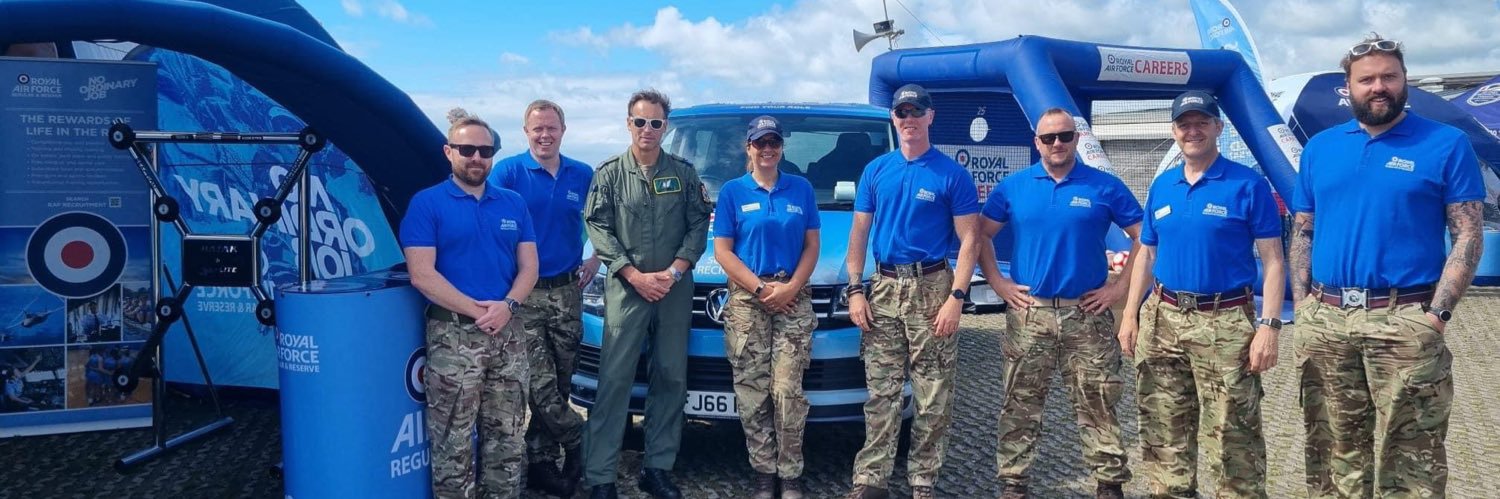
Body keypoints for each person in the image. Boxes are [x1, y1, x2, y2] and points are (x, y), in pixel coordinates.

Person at [1289, 34, 1485, 498]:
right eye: (1367, 79)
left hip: (1406, 320)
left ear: (1404, 82)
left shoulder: (1445, 143)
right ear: (1349, 87)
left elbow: (1468, 234)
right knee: (1333, 450)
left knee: (1412, 458)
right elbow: (1303, 229)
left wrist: (1436, 316)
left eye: (1389, 76)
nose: (1378, 87)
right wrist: (1303, 308)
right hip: (1327, 320)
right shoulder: (1320, 148)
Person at [1117, 91, 1285, 498]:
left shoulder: (1248, 185)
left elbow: (1274, 260)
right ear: (1174, 131)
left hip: (1225, 322)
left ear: (1218, 128)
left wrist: (1270, 327)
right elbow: (1146, 255)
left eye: (1201, 122)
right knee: (1163, 431)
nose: (1192, 130)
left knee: (1232, 438)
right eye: (1184, 123)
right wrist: (1130, 315)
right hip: (1164, 317)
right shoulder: (1163, 186)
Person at [976, 108, 1143, 499]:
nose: (1057, 144)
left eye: (1064, 136)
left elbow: (1144, 237)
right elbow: (979, 235)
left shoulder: (1104, 186)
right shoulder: (1014, 187)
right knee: (1019, 402)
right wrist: (999, 284)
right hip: (1029, 313)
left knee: (1098, 401)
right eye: (1048, 137)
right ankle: (1013, 483)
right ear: (1036, 142)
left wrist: (1117, 290)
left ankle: (1109, 483)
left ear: (1075, 139)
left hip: (1086, 314)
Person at [843, 84, 980, 499]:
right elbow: (859, 232)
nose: (908, 120)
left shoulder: (951, 175)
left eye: (915, 112)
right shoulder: (876, 170)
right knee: (880, 392)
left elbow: (970, 240)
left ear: (930, 117)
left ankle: (923, 481)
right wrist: (855, 288)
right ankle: (871, 480)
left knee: (933, 393)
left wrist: (957, 297)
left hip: (931, 288)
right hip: (882, 288)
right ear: (894, 118)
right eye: (901, 113)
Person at [400, 109, 538, 499]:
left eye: (485, 149)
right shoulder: (426, 205)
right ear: (449, 151)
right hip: (454, 337)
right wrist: (479, 311)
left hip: (508, 335)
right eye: (467, 149)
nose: (476, 157)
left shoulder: (512, 204)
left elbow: (530, 267)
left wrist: (508, 306)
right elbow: (422, 274)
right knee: (452, 442)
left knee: (507, 436)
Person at [582, 89, 711, 499]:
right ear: (628, 124)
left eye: (655, 123)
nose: (648, 130)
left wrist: (674, 271)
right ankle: (601, 475)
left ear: (665, 127)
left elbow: (697, 226)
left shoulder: (684, 174)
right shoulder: (608, 175)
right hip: (627, 288)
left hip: (674, 288)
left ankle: (657, 468)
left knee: (671, 376)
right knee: (614, 379)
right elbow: (597, 227)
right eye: (640, 121)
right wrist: (633, 274)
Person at [487, 99, 596, 498]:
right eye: (537, 129)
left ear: (563, 130)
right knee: (538, 383)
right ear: (526, 131)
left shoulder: (581, 174)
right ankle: (583, 439)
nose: (545, 135)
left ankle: (542, 463)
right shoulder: (509, 172)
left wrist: (596, 257)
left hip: (568, 292)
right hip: (525, 295)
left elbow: (602, 221)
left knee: (562, 382)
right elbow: (490, 226)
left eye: (551, 128)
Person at [712, 116, 821, 499]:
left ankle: (790, 474)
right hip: (747, 300)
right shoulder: (732, 192)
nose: (768, 149)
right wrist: (760, 289)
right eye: (760, 143)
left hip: (792, 297)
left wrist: (790, 288)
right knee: (752, 392)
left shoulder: (801, 189)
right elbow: (722, 251)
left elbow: (812, 246)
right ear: (749, 148)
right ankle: (763, 472)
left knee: (788, 390)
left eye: (773, 142)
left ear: (781, 148)